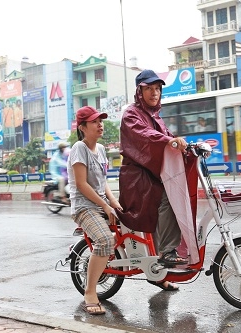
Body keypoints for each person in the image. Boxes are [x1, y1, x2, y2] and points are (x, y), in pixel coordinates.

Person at [117, 69, 196, 292]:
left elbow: (168, 137)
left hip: (150, 175)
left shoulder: (156, 117)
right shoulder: (131, 115)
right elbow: (146, 137)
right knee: (168, 198)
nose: (155, 93)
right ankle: (168, 251)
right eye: (149, 88)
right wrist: (169, 142)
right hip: (137, 179)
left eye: (158, 89)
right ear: (139, 91)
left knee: (178, 194)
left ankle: (159, 271)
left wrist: (186, 146)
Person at [68, 105, 122, 315]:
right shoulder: (78, 149)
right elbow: (82, 184)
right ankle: (90, 291)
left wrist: (114, 202)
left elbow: (103, 182)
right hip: (84, 207)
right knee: (105, 240)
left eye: (100, 121)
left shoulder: (100, 150)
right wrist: (105, 206)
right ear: (82, 127)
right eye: (94, 122)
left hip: (100, 204)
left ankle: (158, 276)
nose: (100, 124)